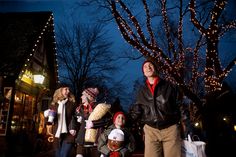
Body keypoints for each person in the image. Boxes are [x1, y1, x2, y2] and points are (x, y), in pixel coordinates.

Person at [129, 59, 183, 157]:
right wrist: (122, 121)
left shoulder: (169, 86)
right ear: (143, 72)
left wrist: (188, 125)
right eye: (145, 66)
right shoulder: (141, 91)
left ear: (156, 68)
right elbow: (136, 112)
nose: (148, 67)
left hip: (170, 129)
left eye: (150, 65)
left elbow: (180, 106)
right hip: (151, 130)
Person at [75, 87, 112, 157]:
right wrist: (74, 124)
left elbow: (107, 120)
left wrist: (94, 124)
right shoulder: (80, 108)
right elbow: (73, 118)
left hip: (95, 139)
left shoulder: (100, 108)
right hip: (82, 139)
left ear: (89, 97)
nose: (81, 97)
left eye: (83, 95)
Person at [44, 84, 77, 157]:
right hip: (57, 134)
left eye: (68, 89)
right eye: (66, 89)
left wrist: (74, 127)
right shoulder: (53, 104)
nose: (68, 91)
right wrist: (46, 115)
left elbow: (76, 117)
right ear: (60, 91)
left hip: (69, 134)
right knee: (58, 155)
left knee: (63, 155)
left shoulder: (72, 104)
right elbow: (49, 122)